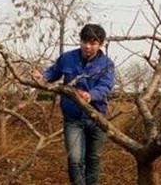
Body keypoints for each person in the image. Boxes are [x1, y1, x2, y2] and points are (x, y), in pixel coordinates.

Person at [33, 24, 115, 185]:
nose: (87, 46)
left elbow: (106, 86)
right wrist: (41, 76)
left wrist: (91, 95)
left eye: (93, 43)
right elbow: (52, 73)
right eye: (84, 41)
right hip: (73, 118)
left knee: (94, 158)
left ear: (101, 44)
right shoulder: (67, 58)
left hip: (97, 118)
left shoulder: (107, 64)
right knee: (75, 159)